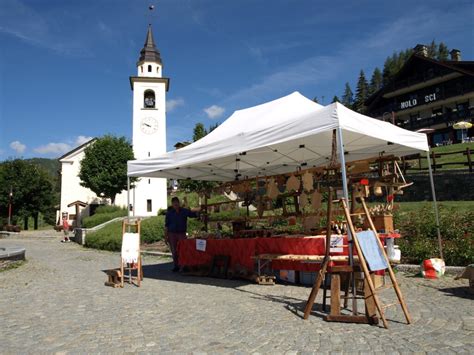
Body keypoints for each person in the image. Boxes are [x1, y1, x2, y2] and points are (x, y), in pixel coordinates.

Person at [165, 197, 199, 272]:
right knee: (174, 250)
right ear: (172, 204)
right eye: (174, 203)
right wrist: (166, 236)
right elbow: (166, 226)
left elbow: (192, 214)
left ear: (179, 203)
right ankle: (176, 265)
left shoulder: (184, 211)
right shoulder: (169, 213)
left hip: (181, 233)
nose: (176, 205)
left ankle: (183, 265)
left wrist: (199, 212)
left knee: (183, 249)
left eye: (177, 203)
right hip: (172, 233)